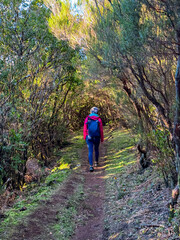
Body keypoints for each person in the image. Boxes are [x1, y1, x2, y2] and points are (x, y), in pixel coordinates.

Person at [83, 107, 104, 172]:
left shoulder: (87, 118)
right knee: (96, 149)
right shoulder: (99, 119)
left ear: (91, 111)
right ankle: (96, 162)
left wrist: (85, 137)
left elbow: (85, 128)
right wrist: (102, 138)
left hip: (89, 137)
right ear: (96, 112)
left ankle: (91, 166)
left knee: (90, 151)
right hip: (97, 137)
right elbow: (101, 130)